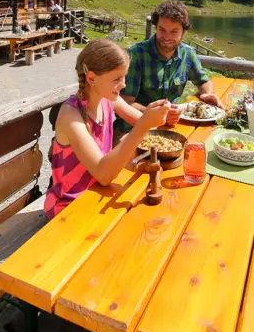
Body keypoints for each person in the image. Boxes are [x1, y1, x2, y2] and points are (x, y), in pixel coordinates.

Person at [44, 39, 171, 220]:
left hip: (96, 193)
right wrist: (143, 125)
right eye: (117, 79)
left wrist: (156, 111)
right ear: (91, 78)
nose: (124, 84)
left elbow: (144, 122)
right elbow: (103, 174)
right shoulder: (70, 115)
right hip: (68, 206)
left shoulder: (108, 99)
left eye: (124, 77)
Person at [120, 0, 222, 134]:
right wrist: (159, 115)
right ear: (156, 27)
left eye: (174, 31)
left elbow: (203, 81)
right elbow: (125, 102)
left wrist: (208, 95)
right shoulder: (136, 55)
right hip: (134, 129)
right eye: (162, 30)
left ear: (184, 32)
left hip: (170, 127)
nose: (166, 37)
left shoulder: (188, 53)